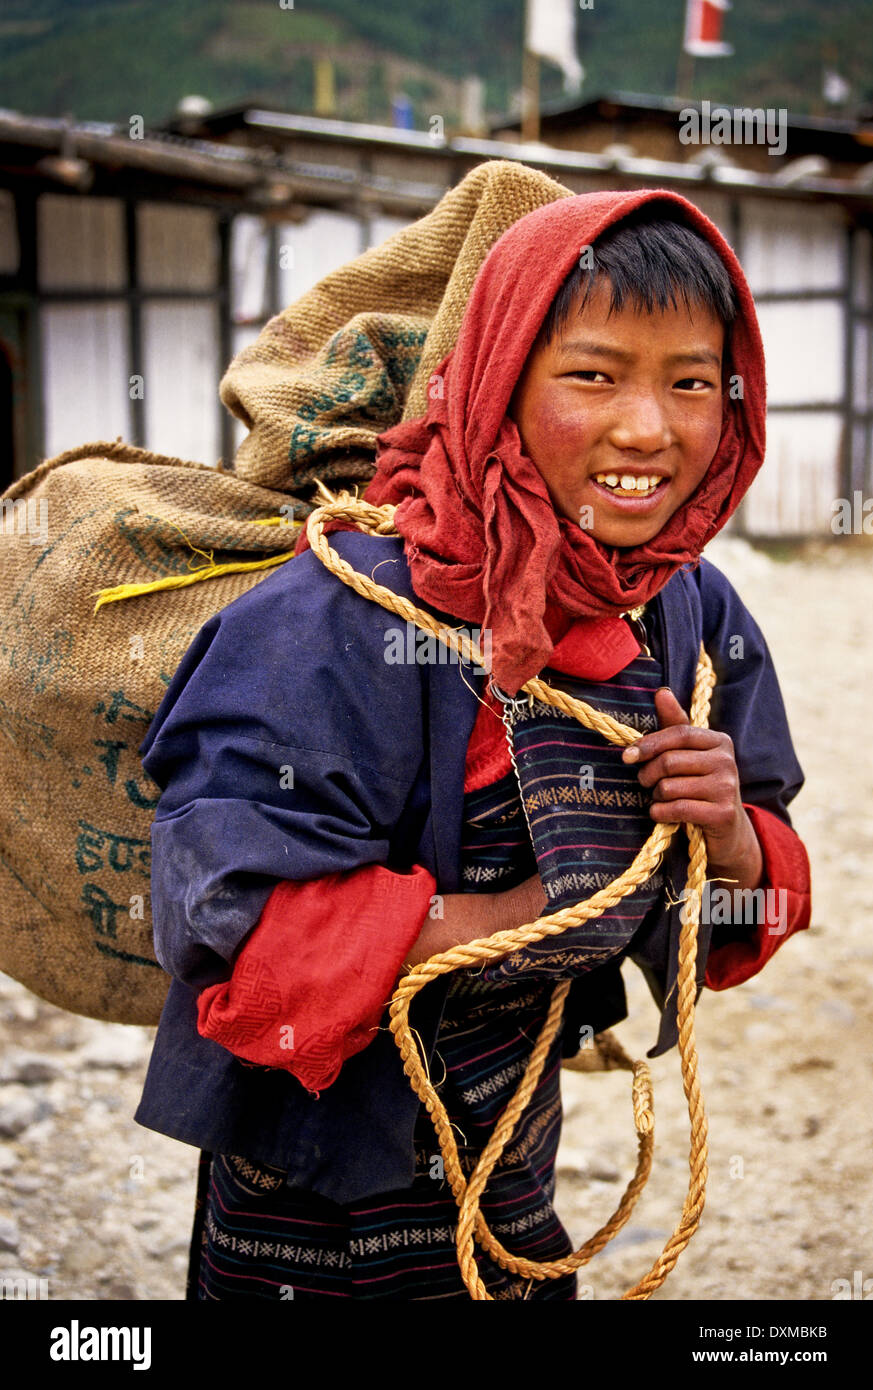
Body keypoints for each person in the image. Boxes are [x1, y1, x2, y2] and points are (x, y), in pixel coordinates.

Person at [133, 187, 811, 1301]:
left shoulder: (685, 614)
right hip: (305, 1196)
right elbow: (224, 922)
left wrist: (731, 836)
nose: (648, 428)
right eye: (593, 375)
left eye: (689, 381)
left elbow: (761, 908)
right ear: (498, 377)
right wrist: (513, 920)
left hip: (509, 1164)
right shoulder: (334, 618)